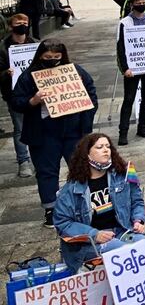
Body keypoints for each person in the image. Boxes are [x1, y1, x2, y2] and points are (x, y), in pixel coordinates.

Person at [13, 40, 98, 226]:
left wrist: (86, 119)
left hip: (73, 131)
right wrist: (33, 101)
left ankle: (84, 202)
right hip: (44, 133)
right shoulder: (28, 76)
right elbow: (16, 102)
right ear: (40, 56)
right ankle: (51, 208)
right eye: (47, 58)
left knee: (80, 168)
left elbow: (91, 94)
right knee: (46, 172)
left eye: (56, 58)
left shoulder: (75, 71)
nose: (52, 61)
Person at [53, 133, 145, 272]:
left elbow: (137, 200)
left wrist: (138, 219)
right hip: (88, 243)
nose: (105, 150)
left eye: (108, 146)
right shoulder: (71, 189)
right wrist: (94, 234)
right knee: (123, 251)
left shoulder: (124, 174)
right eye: (99, 147)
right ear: (87, 155)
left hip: (122, 231)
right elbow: (62, 223)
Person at [115, 0, 145, 146]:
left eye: (143, 2)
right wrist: (125, 68)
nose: (141, 4)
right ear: (132, 4)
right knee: (129, 99)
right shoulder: (124, 23)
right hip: (132, 69)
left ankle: (142, 126)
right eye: (138, 2)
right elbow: (120, 47)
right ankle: (123, 132)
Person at [0, 14, 36, 178]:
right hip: (14, 94)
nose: (22, 25)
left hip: (35, 93)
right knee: (20, 128)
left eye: (25, 23)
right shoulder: (3, 47)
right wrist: (6, 73)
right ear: (10, 26)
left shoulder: (34, 43)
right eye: (18, 23)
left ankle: (36, 158)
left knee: (38, 126)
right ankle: (23, 161)